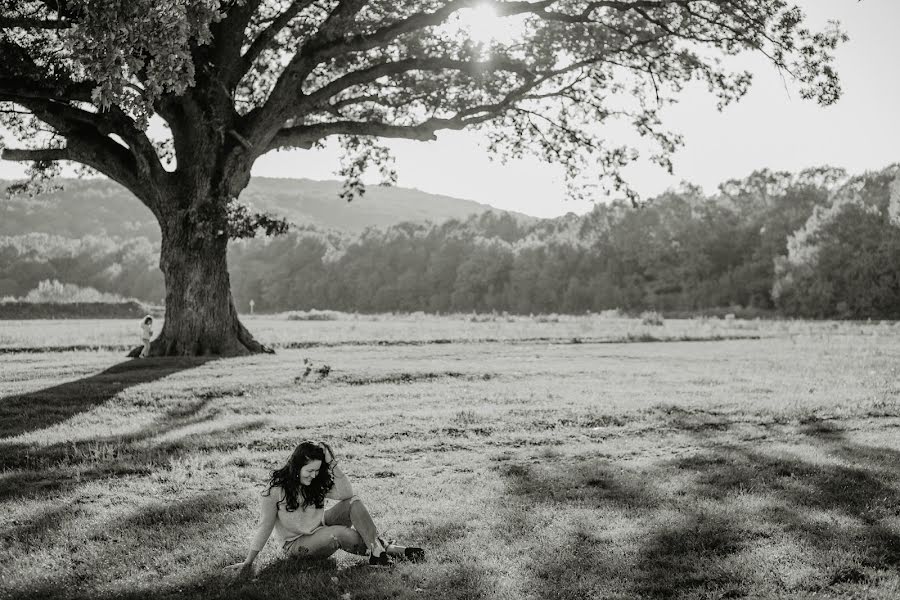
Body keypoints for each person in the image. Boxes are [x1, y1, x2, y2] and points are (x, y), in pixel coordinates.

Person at [225, 441, 424, 579]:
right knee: (337, 533)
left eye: (317, 470)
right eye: (309, 470)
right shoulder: (274, 491)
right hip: (297, 544)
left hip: (319, 527)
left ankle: (378, 552)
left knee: (353, 502)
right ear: (296, 467)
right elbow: (264, 527)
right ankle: (390, 550)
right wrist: (248, 562)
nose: (313, 475)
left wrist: (332, 463)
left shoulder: (315, 483)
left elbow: (347, 493)